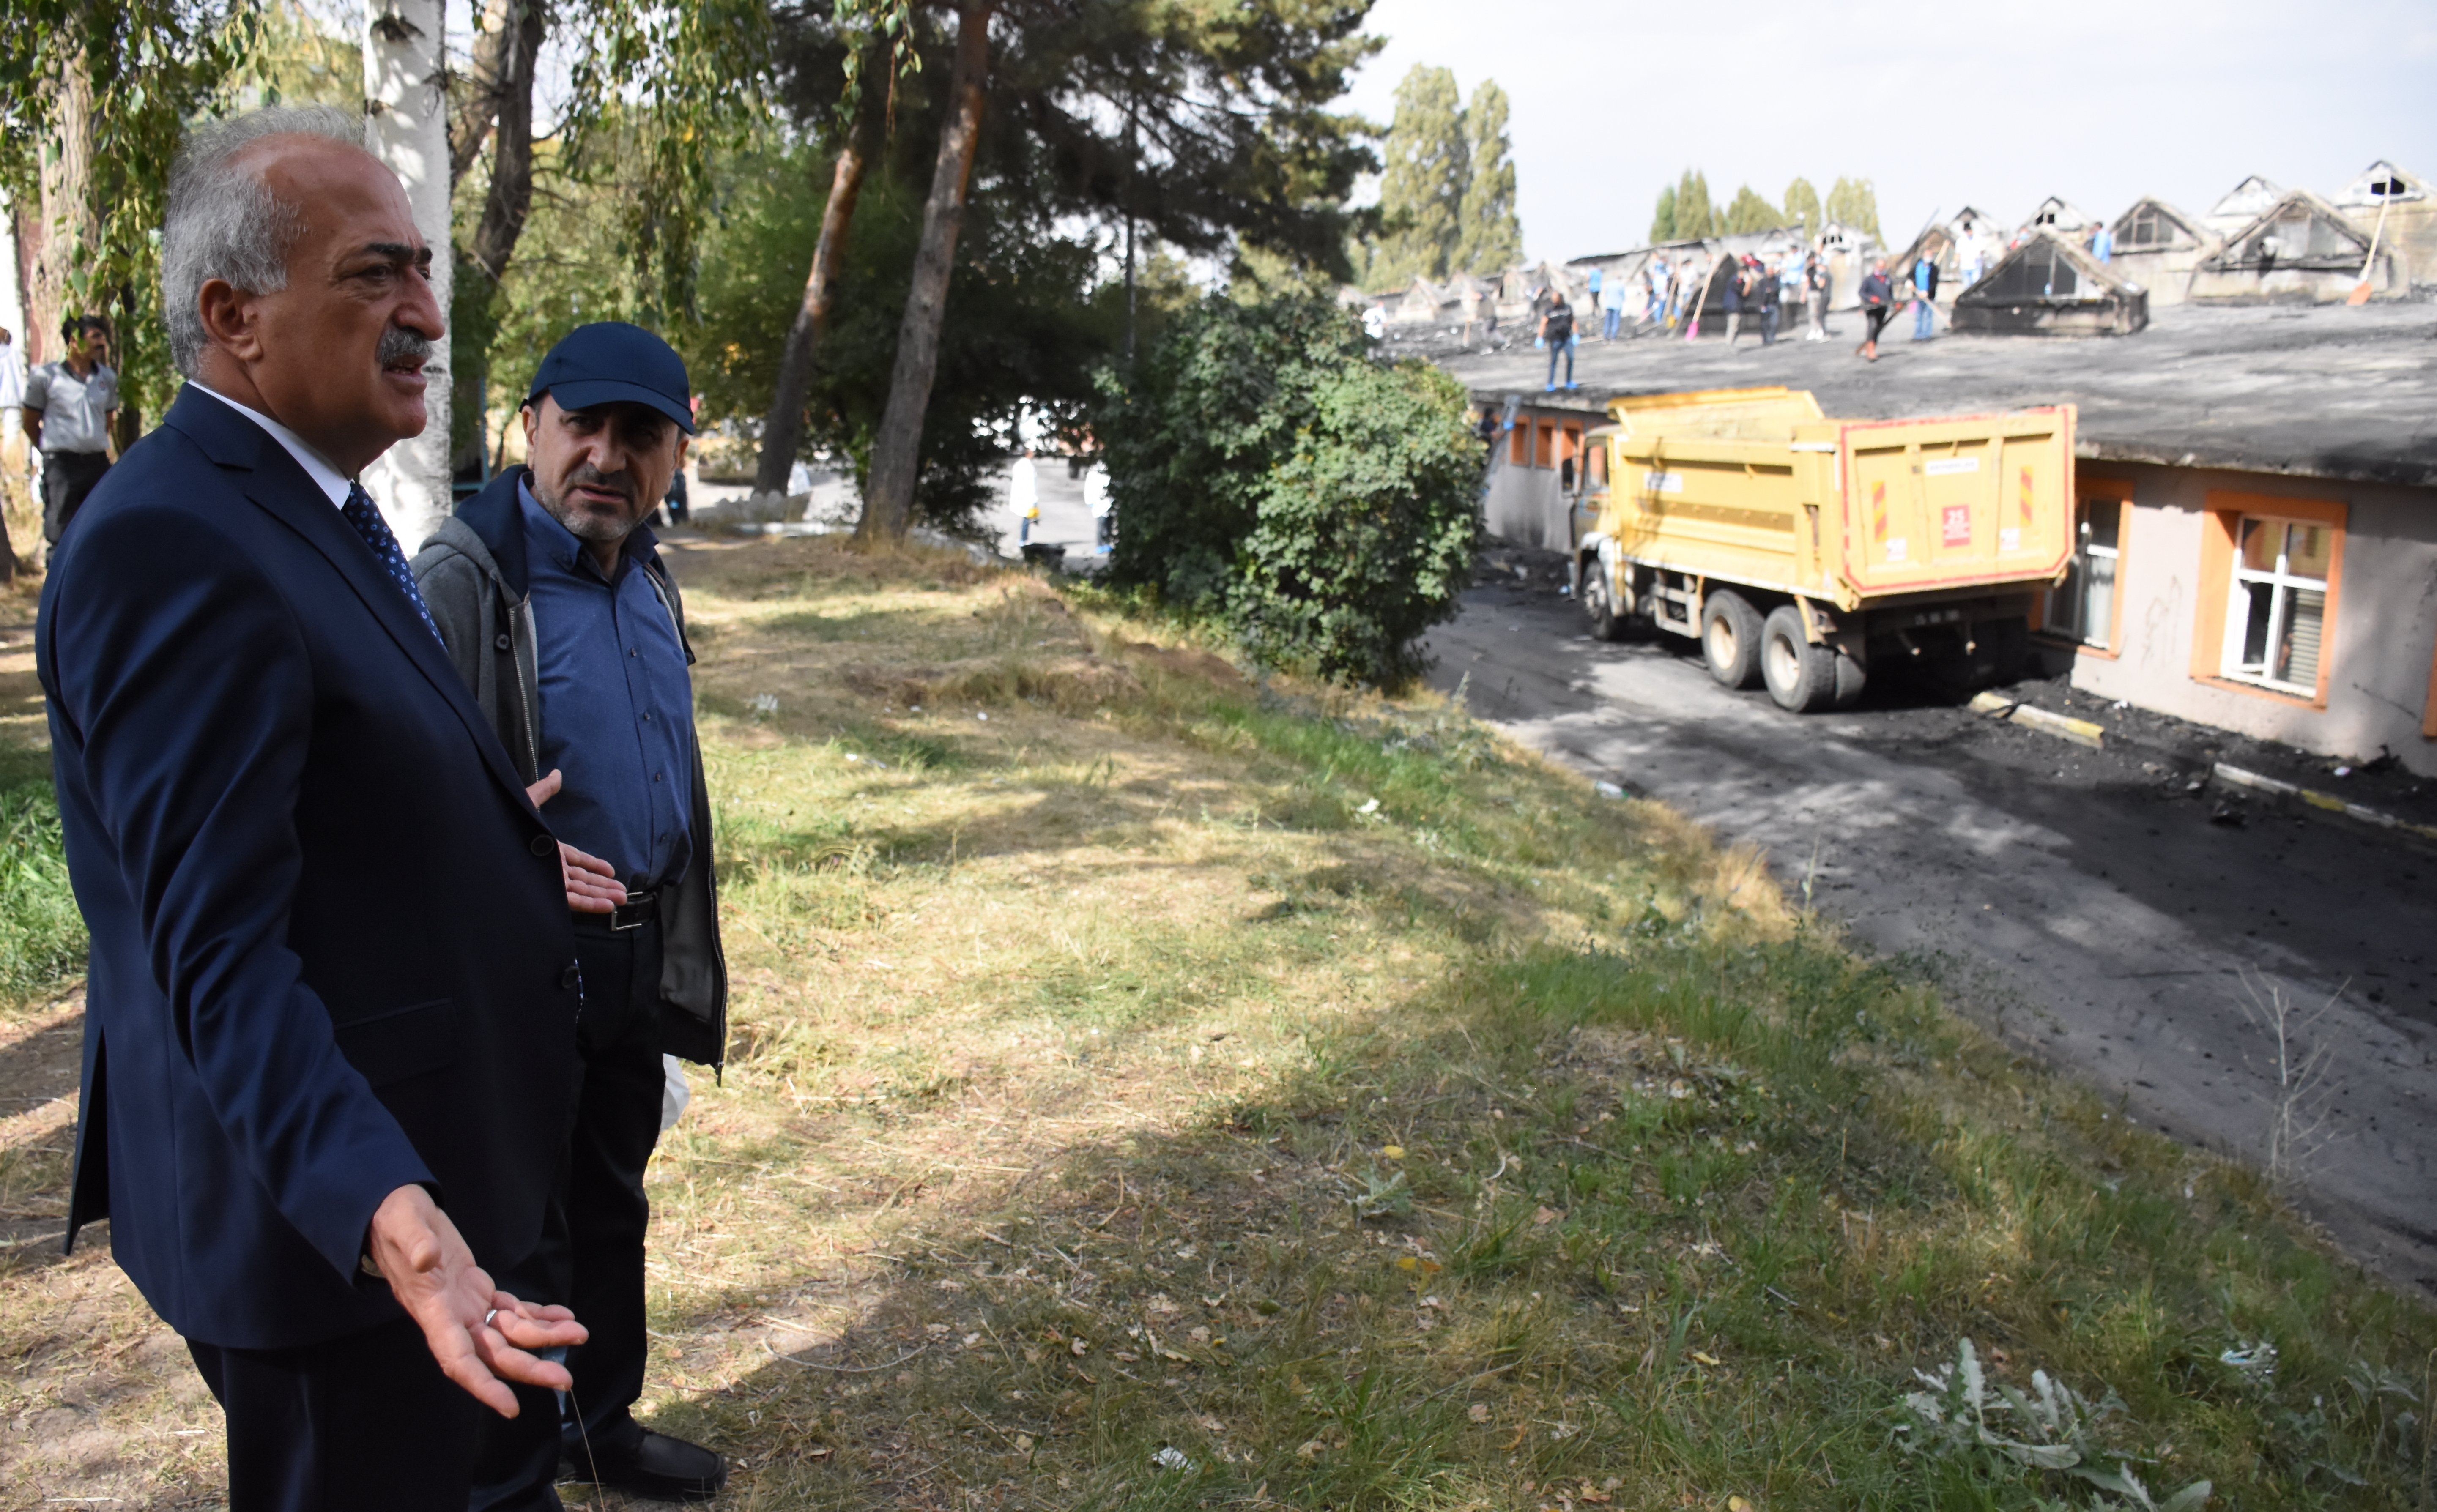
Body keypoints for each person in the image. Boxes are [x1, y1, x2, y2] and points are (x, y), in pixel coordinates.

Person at [36, 104, 598, 1511]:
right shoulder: (172, 541)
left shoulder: (306, 501)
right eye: (374, 276)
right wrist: (394, 1223)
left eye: (424, 271)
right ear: (235, 315)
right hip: (339, 1240)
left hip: (434, 1163)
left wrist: (487, 832)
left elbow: (321, 785)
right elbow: (214, 948)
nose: (426, 314)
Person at [413, 323, 731, 1508]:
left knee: (609, 1196)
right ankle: (513, 1464)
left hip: (631, 949)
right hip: (519, 957)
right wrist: (511, 859)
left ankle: (600, 1428)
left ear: (672, 453)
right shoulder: (465, 579)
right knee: (513, 1220)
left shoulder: (648, 567)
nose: (606, 456)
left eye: (638, 435)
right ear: (531, 427)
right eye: (582, 427)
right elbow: (397, 799)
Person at [23, 314, 119, 543]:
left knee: (100, 524)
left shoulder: (107, 377)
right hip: (62, 466)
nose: (101, 343)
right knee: (61, 530)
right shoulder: (46, 377)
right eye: (95, 337)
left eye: (102, 337)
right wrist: (51, 450)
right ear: (74, 341)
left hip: (97, 463)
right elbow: (29, 422)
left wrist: (89, 441)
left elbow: (107, 419)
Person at [1539, 290, 1576, 390]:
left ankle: (1569, 381)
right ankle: (1550, 383)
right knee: (1554, 361)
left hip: (1567, 338)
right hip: (1555, 339)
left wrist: (1576, 334)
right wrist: (1540, 337)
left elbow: (1573, 321)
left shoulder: (1567, 308)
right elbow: (1544, 323)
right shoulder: (1549, 310)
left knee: (1570, 358)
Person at [1858, 257, 1894, 361]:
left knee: (1878, 328)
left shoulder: (1887, 279)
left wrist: (1894, 303)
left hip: (1883, 308)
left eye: (1883, 267)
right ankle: (1870, 351)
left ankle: (1873, 348)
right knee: (1872, 326)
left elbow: (1890, 294)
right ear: (1876, 267)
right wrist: (1871, 298)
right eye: (1879, 267)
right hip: (1871, 308)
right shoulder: (1869, 280)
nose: (1881, 269)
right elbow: (1862, 292)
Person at [1010, 451, 1038, 546]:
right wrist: (1034, 500)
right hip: (1027, 497)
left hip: (1021, 496)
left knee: (1026, 518)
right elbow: (1032, 485)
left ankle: (1024, 539)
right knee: (1026, 519)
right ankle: (1023, 540)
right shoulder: (1029, 467)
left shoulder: (1018, 465)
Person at [1085, 460, 1112, 552]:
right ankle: (1100, 545)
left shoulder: (1111, 469)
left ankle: (1108, 544)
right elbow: (1088, 487)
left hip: (1109, 503)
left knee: (1109, 526)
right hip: (1099, 503)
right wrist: (1089, 501)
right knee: (1101, 525)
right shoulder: (1094, 471)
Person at [1805, 250, 1832, 341]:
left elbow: (1822, 283)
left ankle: (1821, 329)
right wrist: (1804, 294)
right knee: (1812, 313)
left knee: (1820, 313)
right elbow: (1807, 282)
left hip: (1820, 292)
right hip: (1812, 292)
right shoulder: (1809, 270)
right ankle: (1814, 329)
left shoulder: (1819, 269)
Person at [1911, 254, 1939, 341]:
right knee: (1919, 317)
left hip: (1929, 296)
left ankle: (1927, 335)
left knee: (1928, 317)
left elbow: (1934, 282)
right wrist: (1911, 284)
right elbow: (1910, 277)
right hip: (1918, 296)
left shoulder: (1934, 269)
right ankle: (1918, 335)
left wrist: (1928, 292)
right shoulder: (1917, 267)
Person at [1758, 255, 1783, 346]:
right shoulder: (1762, 282)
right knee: (1765, 323)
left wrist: (1770, 292)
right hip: (1765, 304)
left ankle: (1771, 338)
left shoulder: (1776, 280)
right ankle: (1765, 340)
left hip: (1774, 304)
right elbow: (1760, 293)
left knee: (1774, 323)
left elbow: (1777, 290)